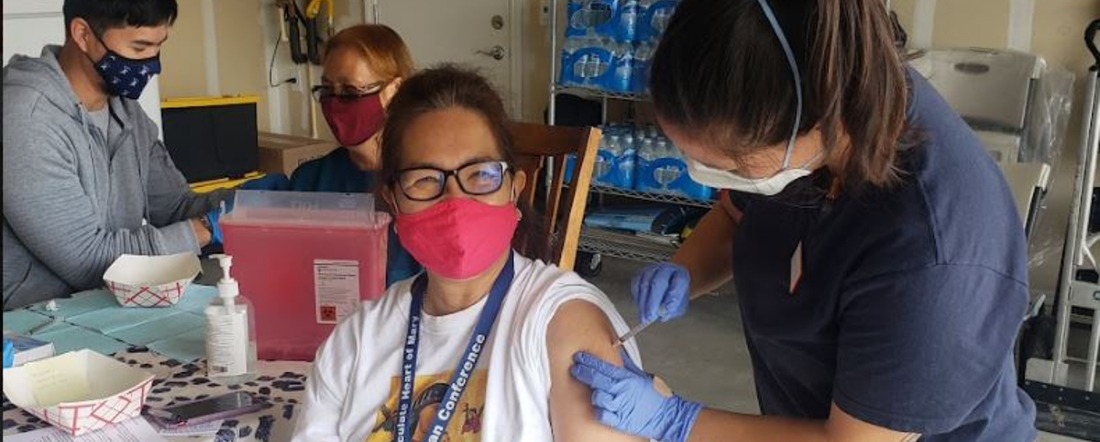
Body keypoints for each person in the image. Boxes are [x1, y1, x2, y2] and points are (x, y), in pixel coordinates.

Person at [570, 1, 1037, 442]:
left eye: (732, 165)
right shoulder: (803, 108)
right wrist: (686, 270)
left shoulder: (932, 258)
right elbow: (737, 213)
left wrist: (676, 421)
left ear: (820, 125)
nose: (706, 176)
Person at [291, 65, 645, 442]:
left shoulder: (561, 322)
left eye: (480, 174)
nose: (456, 200)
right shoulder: (358, 340)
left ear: (514, 188)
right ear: (393, 200)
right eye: (425, 179)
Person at [3, 0, 228, 309]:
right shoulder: (25, 118)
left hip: (109, 312)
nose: (152, 63)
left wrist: (247, 204)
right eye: (139, 48)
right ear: (82, 34)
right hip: (31, 329)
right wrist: (206, 227)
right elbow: (89, 260)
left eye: (158, 46)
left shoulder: (127, 113)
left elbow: (175, 208)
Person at [238, 24, 420, 286]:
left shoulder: (421, 183)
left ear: (393, 91)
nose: (335, 103)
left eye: (349, 91)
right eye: (326, 90)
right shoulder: (313, 180)